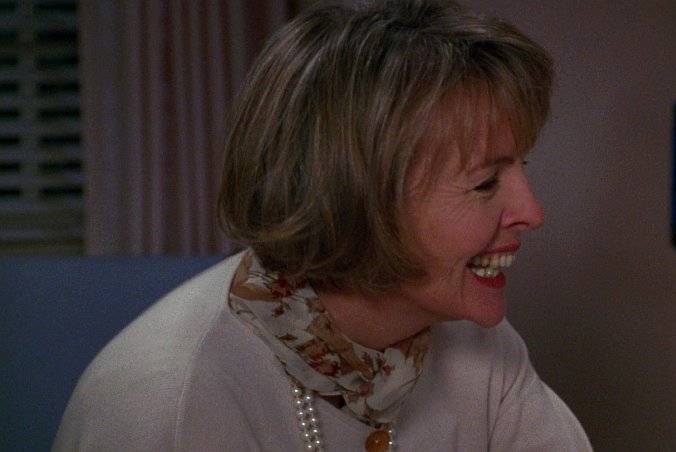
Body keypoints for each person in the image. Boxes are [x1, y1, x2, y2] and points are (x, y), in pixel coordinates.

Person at [54, 0, 592, 450]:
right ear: (354, 193)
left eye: (521, 167)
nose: (533, 211)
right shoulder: (169, 402)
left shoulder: (482, 350)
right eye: (485, 183)